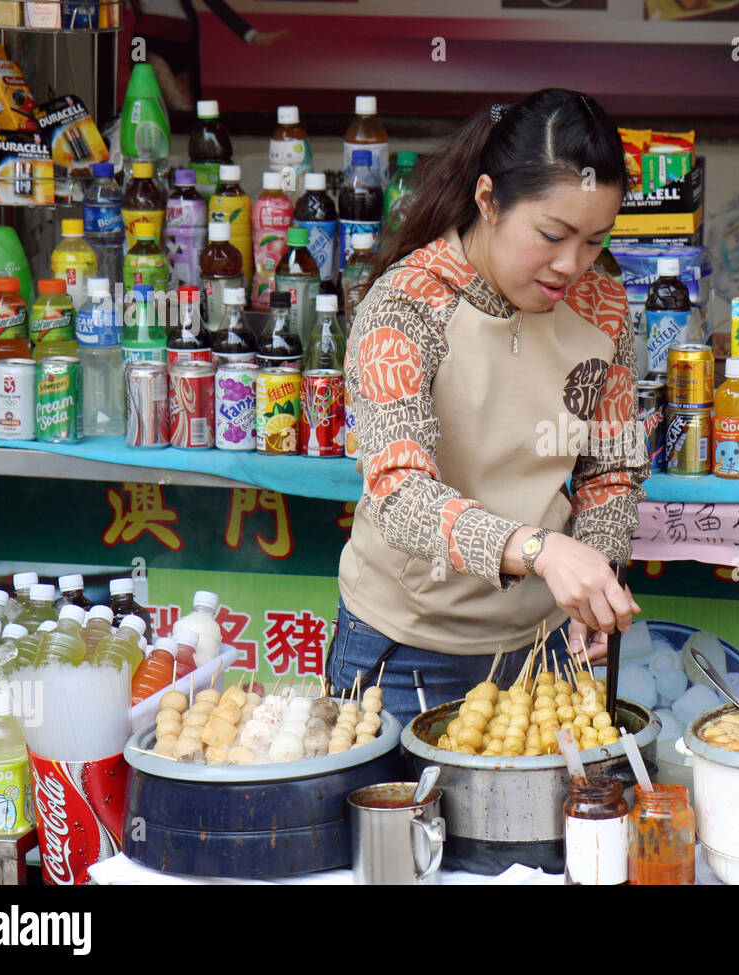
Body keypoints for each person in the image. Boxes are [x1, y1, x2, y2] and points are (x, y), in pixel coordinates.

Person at [326, 90, 647, 726]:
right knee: (404, 825)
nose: (571, 266)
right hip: (405, 647)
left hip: (547, 645)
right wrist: (543, 553)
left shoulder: (605, 311)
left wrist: (595, 585)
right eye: (552, 236)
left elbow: (610, 470)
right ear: (487, 200)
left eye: (594, 241)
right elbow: (397, 493)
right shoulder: (406, 306)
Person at [127, 0, 289, 110]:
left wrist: (251, 35)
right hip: (147, 38)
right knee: (172, 102)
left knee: (185, 108)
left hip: (182, 37)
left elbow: (215, 3)